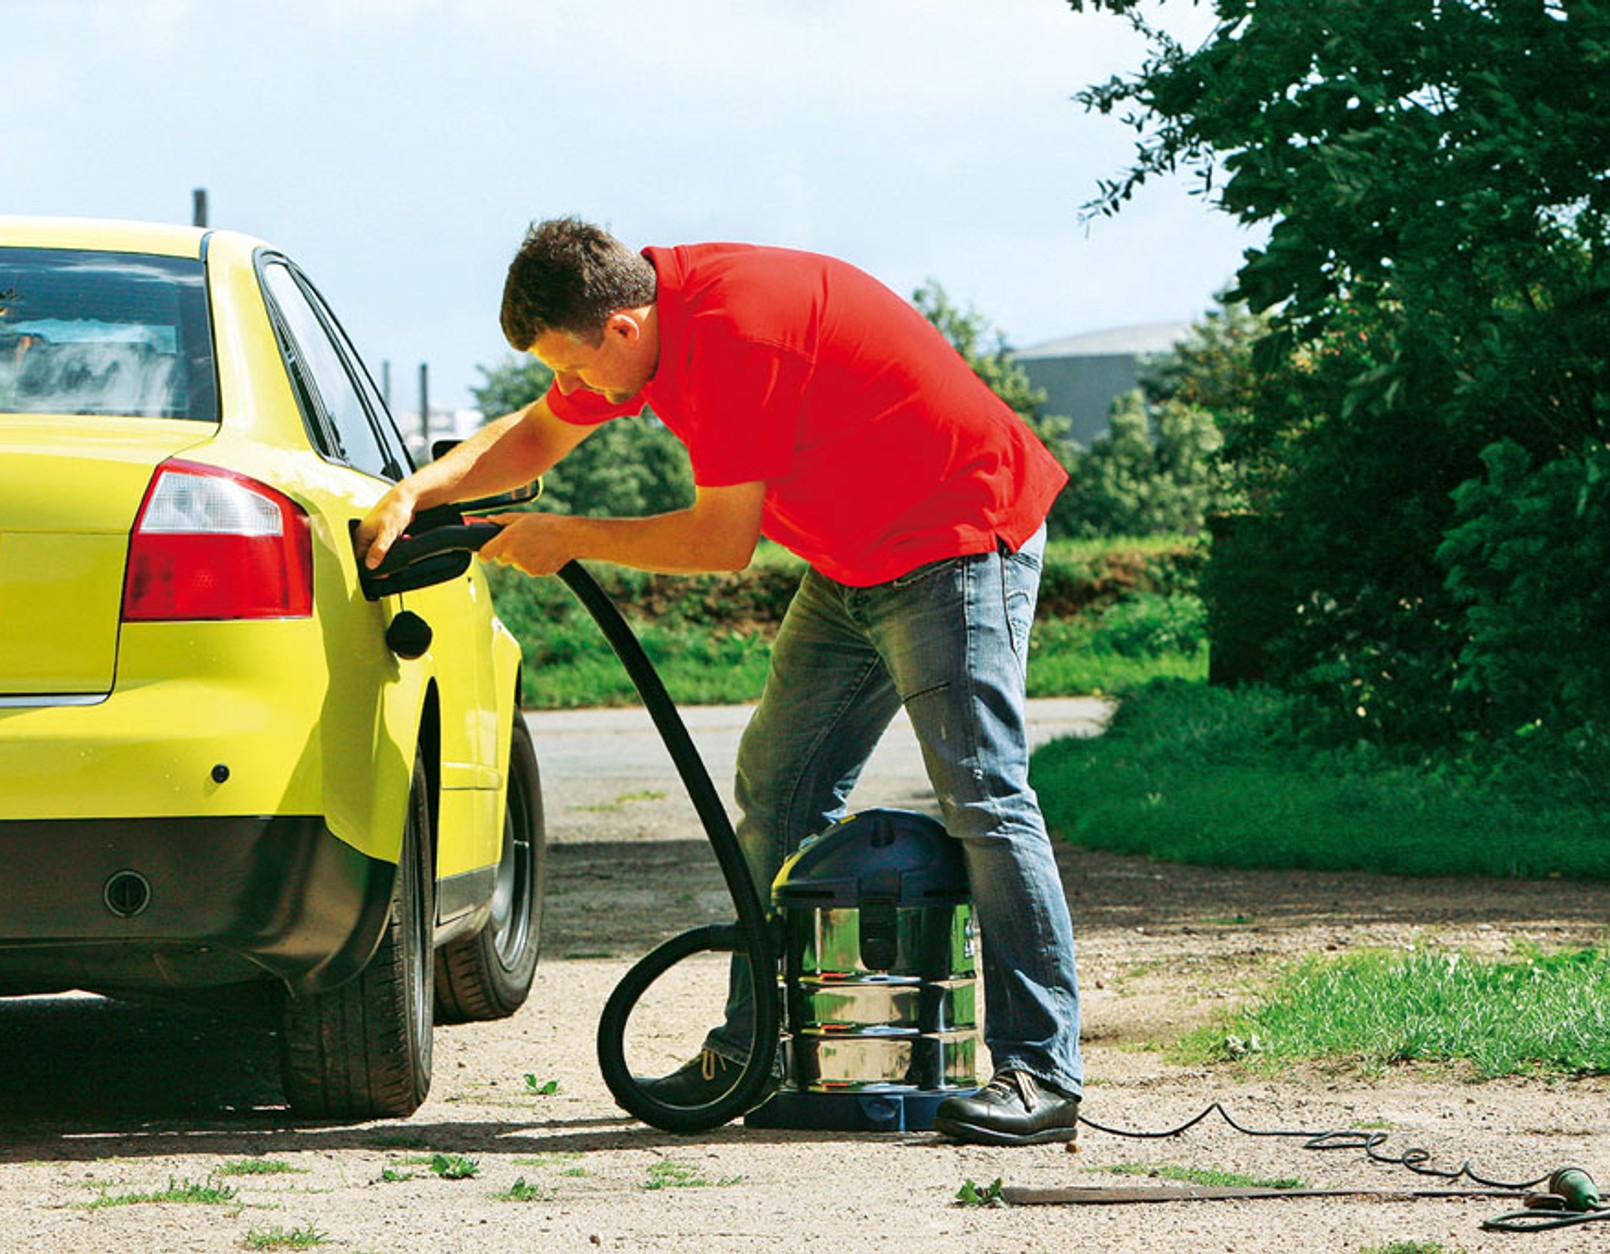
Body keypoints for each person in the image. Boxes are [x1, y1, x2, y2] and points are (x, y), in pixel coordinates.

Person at [357, 217, 1084, 1145]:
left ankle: (1040, 1074)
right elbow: (534, 438)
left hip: (955, 537)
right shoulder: (644, 326)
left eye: (574, 367)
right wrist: (424, 491)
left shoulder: (738, 334)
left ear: (621, 327)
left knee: (983, 792)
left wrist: (571, 534)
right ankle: (761, 1049)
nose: (571, 388)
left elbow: (720, 543)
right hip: (855, 557)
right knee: (778, 789)